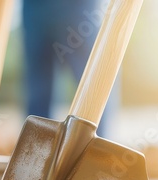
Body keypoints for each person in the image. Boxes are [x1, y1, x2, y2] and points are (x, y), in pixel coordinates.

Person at [22, 0, 119, 138]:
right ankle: (37, 146)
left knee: (92, 82)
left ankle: (97, 146)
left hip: (78, 6)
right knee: (38, 88)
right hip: (34, 6)